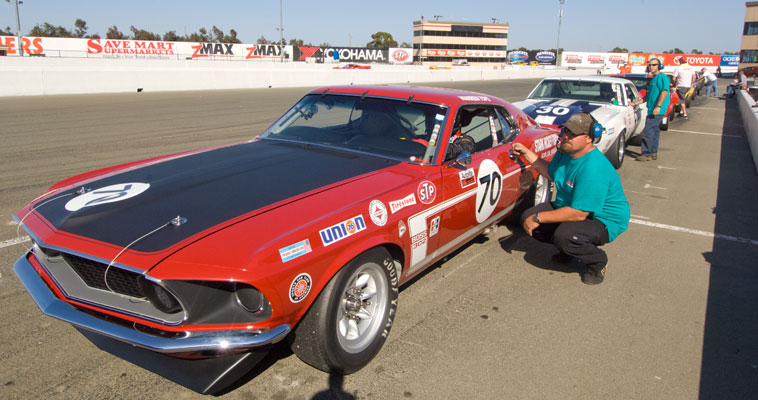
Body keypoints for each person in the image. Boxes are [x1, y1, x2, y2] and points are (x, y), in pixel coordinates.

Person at [511, 112, 630, 285]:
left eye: (572, 134)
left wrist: (538, 218)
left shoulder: (593, 168)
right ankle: (569, 250)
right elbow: (551, 172)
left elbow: (579, 213)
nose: (565, 136)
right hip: (572, 207)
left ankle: (597, 262)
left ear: (589, 138)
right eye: (565, 131)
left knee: (565, 236)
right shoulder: (565, 152)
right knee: (527, 218)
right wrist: (526, 153)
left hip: (602, 218)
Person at [633, 58, 670, 161]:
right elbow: (648, 96)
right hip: (652, 109)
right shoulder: (654, 79)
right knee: (654, 131)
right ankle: (653, 152)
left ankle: (646, 154)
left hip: (657, 110)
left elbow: (664, 91)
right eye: (650, 65)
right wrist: (635, 103)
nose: (651, 67)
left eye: (654, 65)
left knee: (648, 131)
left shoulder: (662, 77)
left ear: (659, 66)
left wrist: (658, 106)